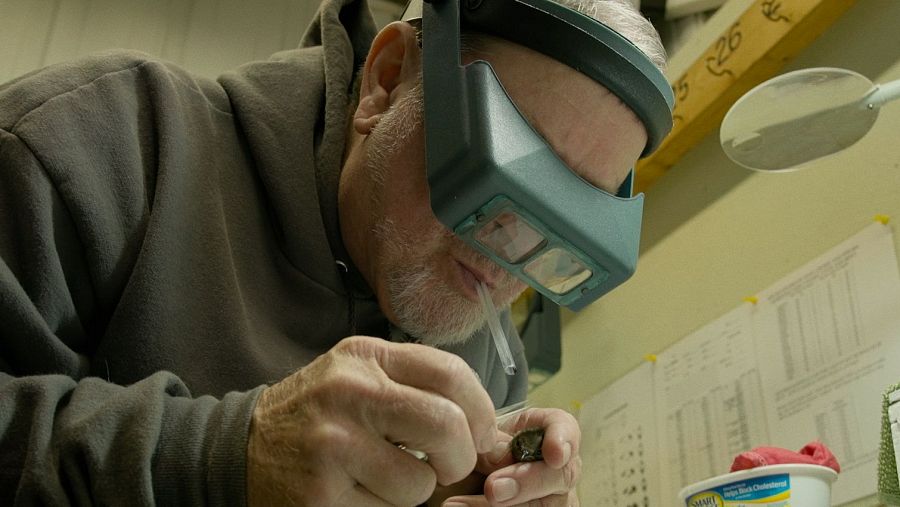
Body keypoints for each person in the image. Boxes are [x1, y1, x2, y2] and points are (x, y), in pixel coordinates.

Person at [0, 0, 668, 503]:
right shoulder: (95, 148)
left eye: (559, 240)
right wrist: (218, 459)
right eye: (497, 193)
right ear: (387, 79)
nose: (504, 262)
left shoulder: (489, 366)